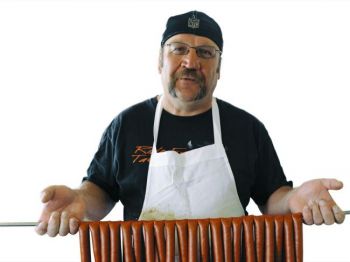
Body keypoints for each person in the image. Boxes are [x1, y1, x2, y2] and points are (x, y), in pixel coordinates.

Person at [36, 10, 345, 237]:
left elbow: (272, 200)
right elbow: (100, 192)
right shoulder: (127, 125)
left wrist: (295, 199)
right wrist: (78, 199)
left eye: (205, 53)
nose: (191, 62)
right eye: (179, 49)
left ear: (219, 68)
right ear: (160, 60)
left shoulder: (246, 129)